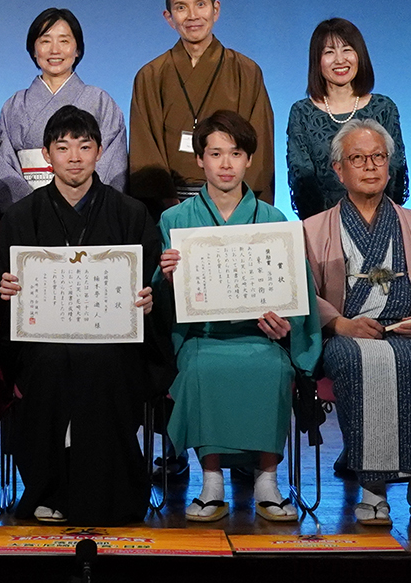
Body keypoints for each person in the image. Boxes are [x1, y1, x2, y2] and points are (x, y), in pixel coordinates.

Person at [0, 105, 170, 525]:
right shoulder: (20, 216)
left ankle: (108, 495)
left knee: (100, 362)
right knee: (50, 363)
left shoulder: (130, 213)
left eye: (84, 147)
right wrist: (5, 291)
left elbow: (152, 283)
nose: (74, 157)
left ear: (100, 152)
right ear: (46, 155)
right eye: (63, 147)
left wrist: (148, 298)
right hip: (43, 344)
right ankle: (47, 490)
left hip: (113, 343)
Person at [155, 111, 319, 523]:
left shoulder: (273, 220)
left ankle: (267, 479)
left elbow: (297, 291)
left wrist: (285, 328)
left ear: (248, 160)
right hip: (201, 336)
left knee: (273, 368)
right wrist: (168, 277)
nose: (225, 164)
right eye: (215, 154)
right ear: (200, 160)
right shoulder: (175, 220)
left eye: (235, 153)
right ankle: (211, 481)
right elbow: (157, 298)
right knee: (200, 369)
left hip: (261, 336)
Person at [302, 118, 411, 530]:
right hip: (349, 332)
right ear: (339, 170)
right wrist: (340, 324)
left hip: (408, 327)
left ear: (389, 166)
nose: (370, 166)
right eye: (358, 158)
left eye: (378, 157)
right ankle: (372, 489)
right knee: (362, 364)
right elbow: (303, 292)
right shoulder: (313, 229)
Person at [127, 0, 276, 216]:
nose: (192, 15)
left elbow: (259, 145)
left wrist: (241, 206)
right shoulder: (151, 76)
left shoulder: (246, 71)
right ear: (169, 17)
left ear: (215, 10)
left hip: (233, 200)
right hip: (171, 203)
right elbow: (145, 149)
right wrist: (170, 209)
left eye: (200, 4)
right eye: (181, 7)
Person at [0, 7, 130, 215]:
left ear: (77, 49)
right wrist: (30, 211)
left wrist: (85, 205)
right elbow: (2, 166)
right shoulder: (14, 105)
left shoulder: (100, 101)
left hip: (89, 214)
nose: (55, 50)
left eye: (64, 41)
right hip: (28, 216)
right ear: (34, 50)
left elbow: (112, 163)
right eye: (45, 41)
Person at [285, 18, 409, 218]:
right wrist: (322, 225)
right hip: (323, 223)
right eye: (329, 52)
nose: (340, 60)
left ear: (359, 55)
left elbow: (395, 170)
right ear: (317, 60)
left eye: (347, 50)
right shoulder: (302, 112)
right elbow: (302, 177)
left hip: (380, 219)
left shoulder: (384, 108)